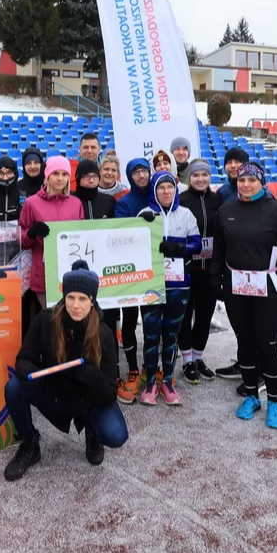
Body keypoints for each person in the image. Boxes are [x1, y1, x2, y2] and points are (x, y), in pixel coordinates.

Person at [3, 261, 128, 481]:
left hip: (88, 400)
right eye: (71, 297)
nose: (76, 305)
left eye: (82, 299)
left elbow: (110, 394)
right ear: (64, 296)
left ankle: (93, 433)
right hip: (56, 393)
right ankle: (30, 443)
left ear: (92, 301)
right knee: (14, 387)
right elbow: (24, 359)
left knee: (116, 434)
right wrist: (30, 372)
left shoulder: (104, 334)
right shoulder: (46, 320)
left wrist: (93, 377)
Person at [211, 163, 277, 429]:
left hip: (269, 288)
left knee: (267, 344)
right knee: (245, 342)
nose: (246, 184)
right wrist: (216, 279)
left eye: (252, 180)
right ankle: (251, 395)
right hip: (237, 288)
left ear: (262, 182)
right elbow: (219, 249)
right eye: (241, 180)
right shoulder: (226, 211)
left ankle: (274, 399)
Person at [136, 171, 201, 406]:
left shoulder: (185, 214)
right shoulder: (145, 214)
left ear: (175, 190)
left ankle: (169, 381)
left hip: (178, 283)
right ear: (154, 190)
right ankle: (151, 382)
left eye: (170, 187)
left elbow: (197, 244)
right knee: (152, 335)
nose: (166, 191)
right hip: (150, 283)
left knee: (171, 335)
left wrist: (178, 247)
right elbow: (134, 244)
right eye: (161, 187)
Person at [19, 157, 84, 337]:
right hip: (44, 273)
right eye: (55, 173)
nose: (60, 178)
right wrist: (32, 233)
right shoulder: (31, 203)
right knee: (53, 321)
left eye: (64, 174)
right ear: (47, 176)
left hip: (71, 273)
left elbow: (82, 236)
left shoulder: (76, 203)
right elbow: (22, 240)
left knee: (71, 321)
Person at [177, 158, 222, 384]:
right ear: (189, 178)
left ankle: (198, 357)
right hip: (187, 267)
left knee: (204, 316)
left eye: (204, 175)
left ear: (209, 177)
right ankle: (186, 361)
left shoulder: (218, 200)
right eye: (196, 175)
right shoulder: (181, 200)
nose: (200, 178)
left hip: (210, 269)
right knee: (185, 317)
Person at [112, 158, 153, 403]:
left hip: (153, 270)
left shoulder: (157, 196)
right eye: (136, 172)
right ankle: (133, 368)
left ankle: (150, 366)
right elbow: (120, 233)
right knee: (128, 320)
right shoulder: (124, 202)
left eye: (144, 171)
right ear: (130, 176)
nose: (141, 175)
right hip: (129, 271)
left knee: (150, 321)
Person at [211, 146, 250, 382]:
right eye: (230, 162)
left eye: (238, 161)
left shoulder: (261, 190)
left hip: (256, 266)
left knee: (256, 322)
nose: (233, 166)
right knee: (239, 320)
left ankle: (258, 370)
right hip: (231, 264)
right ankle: (244, 362)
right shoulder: (222, 192)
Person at [0, 156, 26, 222]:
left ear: (15, 174)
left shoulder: (26, 198)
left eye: (9, 172)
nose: (5, 178)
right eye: (0, 173)